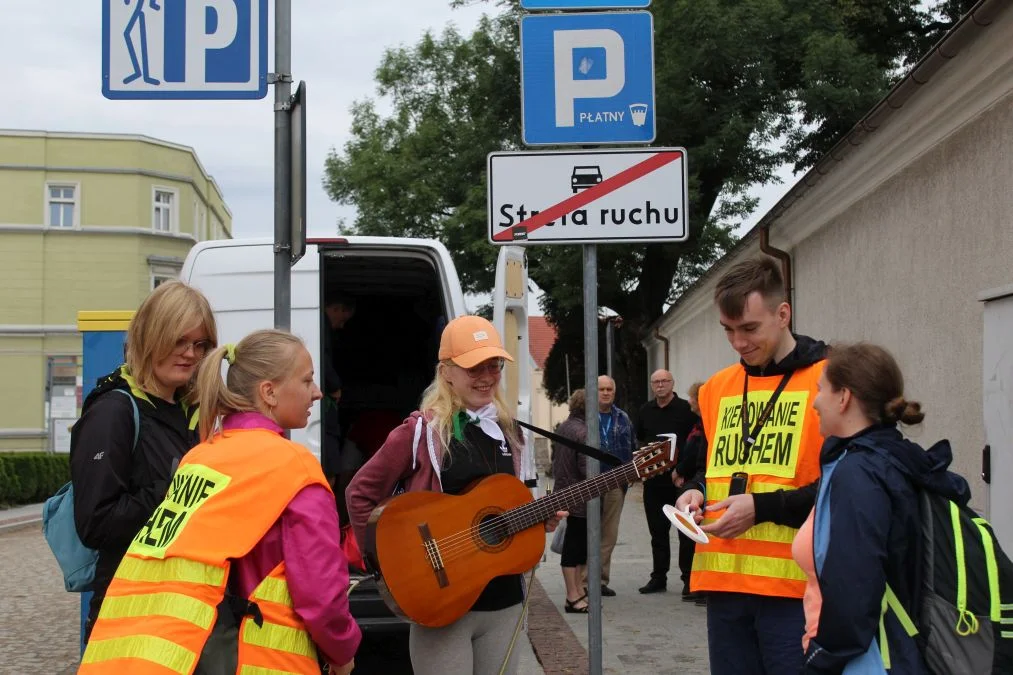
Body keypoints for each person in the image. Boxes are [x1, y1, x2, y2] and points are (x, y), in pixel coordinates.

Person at [79, 329, 360, 675]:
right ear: (269, 392)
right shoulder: (296, 467)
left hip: (177, 656)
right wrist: (343, 654)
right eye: (306, 381)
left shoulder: (199, 458)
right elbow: (322, 597)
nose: (317, 393)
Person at [346, 315, 564, 675]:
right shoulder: (420, 431)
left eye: (493, 366)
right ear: (446, 371)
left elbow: (502, 507)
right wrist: (387, 563)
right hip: (444, 604)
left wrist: (537, 520)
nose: (486, 377)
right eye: (473, 367)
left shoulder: (509, 431)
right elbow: (360, 494)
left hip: (505, 602)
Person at [675, 257, 827, 675]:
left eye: (749, 328)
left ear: (783, 314)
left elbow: (843, 488)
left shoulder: (828, 381)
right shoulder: (717, 389)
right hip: (723, 586)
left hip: (797, 590)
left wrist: (760, 508)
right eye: (728, 330)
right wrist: (696, 490)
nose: (738, 342)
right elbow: (713, 466)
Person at [795, 343, 966, 674]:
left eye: (820, 390)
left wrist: (820, 660)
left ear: (843, 398)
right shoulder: (894, 458)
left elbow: (853, 591)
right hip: (895, 652)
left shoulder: (859, 472)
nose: (814, 402)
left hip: (870, 660)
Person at [71, 280, 217, 640]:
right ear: (150, 336)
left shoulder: (189, 411)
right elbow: (95, 524)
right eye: (179, 341)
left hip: (179, 612)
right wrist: (178, 488)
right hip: (126, 615)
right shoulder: (113, 411)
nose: (190, 354)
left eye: (199, 345)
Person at [634, 369, 699, 595]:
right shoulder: (645, 411)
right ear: (652, 385)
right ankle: (658, 577)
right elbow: (641, 439)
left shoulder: (685, 410)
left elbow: (695, 443)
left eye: (664, 381)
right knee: (657, 533)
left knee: (685, 532)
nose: (660, 385)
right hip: (653, 482)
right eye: (656, 382)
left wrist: (684, 470)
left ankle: (689, 579)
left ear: (672, 383)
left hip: (680, 481)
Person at [551, 388, 590, 614]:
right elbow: (587, 469)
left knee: (573, 547)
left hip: (565, 492)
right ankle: (572, 595)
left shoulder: (565, 427)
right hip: (580, 498)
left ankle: (576, 592)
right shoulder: (583, 432)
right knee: (574, 550)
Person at [672, 380, 707, 602]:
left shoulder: (705, 426)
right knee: (686, 536)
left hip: (698, 484)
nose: (690, 401)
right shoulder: (697, 423)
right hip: (692, 483)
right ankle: (691, 582)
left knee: (693, 536)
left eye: (692, 397)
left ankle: (699, 585)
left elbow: (698, 457)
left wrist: (680, 471)